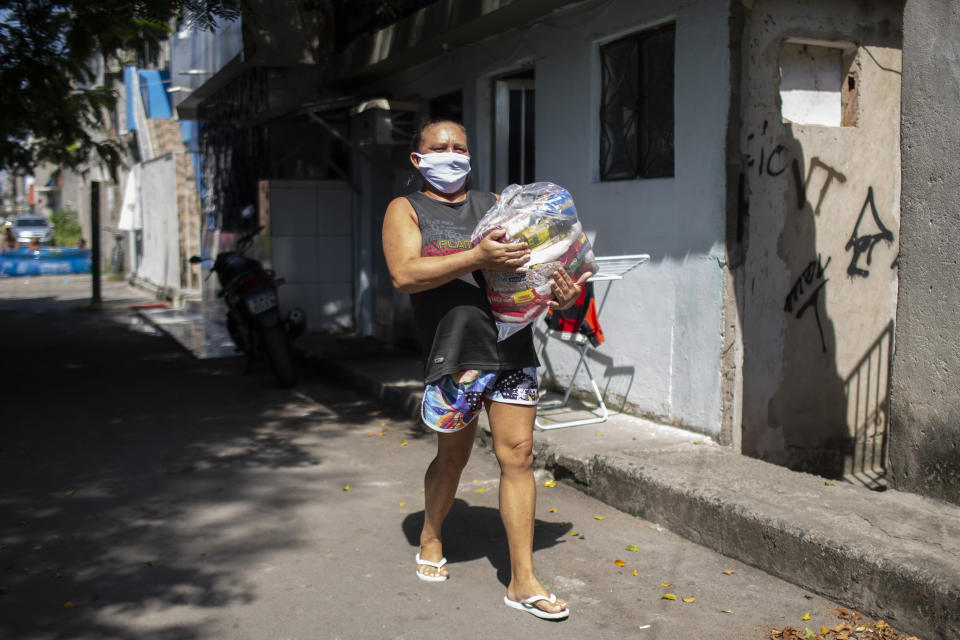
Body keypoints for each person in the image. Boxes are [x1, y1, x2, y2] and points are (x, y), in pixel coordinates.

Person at [381, 120, 590, 620]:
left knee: (518, 456)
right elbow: (403, 274)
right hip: (455, 352)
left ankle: (523, 580)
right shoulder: (406, 209)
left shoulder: (498, 203)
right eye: (439, 147)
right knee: (452, 459)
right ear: (418, 159)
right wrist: (476, 255)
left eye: (460, 147)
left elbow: (536, 266)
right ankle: (431, 535)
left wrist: (564, 291)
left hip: (512, 348)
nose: (451, 154)